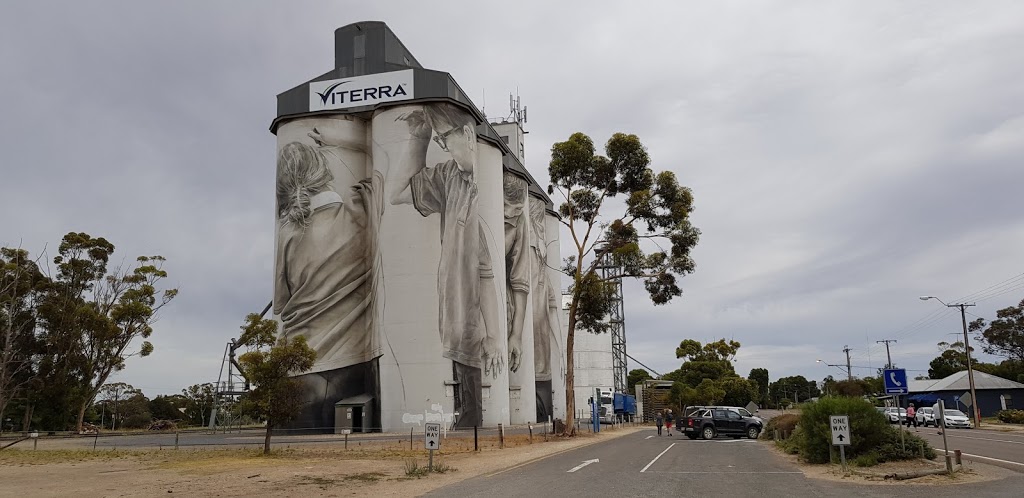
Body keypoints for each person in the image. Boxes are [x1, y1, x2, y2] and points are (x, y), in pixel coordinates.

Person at [391, 103, 504, 428]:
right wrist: (419, 137)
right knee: (465, 426)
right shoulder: (448, 176)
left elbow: (486, 273)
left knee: (471, 425)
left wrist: (495, 335)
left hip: (471, 339)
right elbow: (397, 193)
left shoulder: (477, 188)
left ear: (468, 133)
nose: (442, 147)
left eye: (444, 138)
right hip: (452, 333)